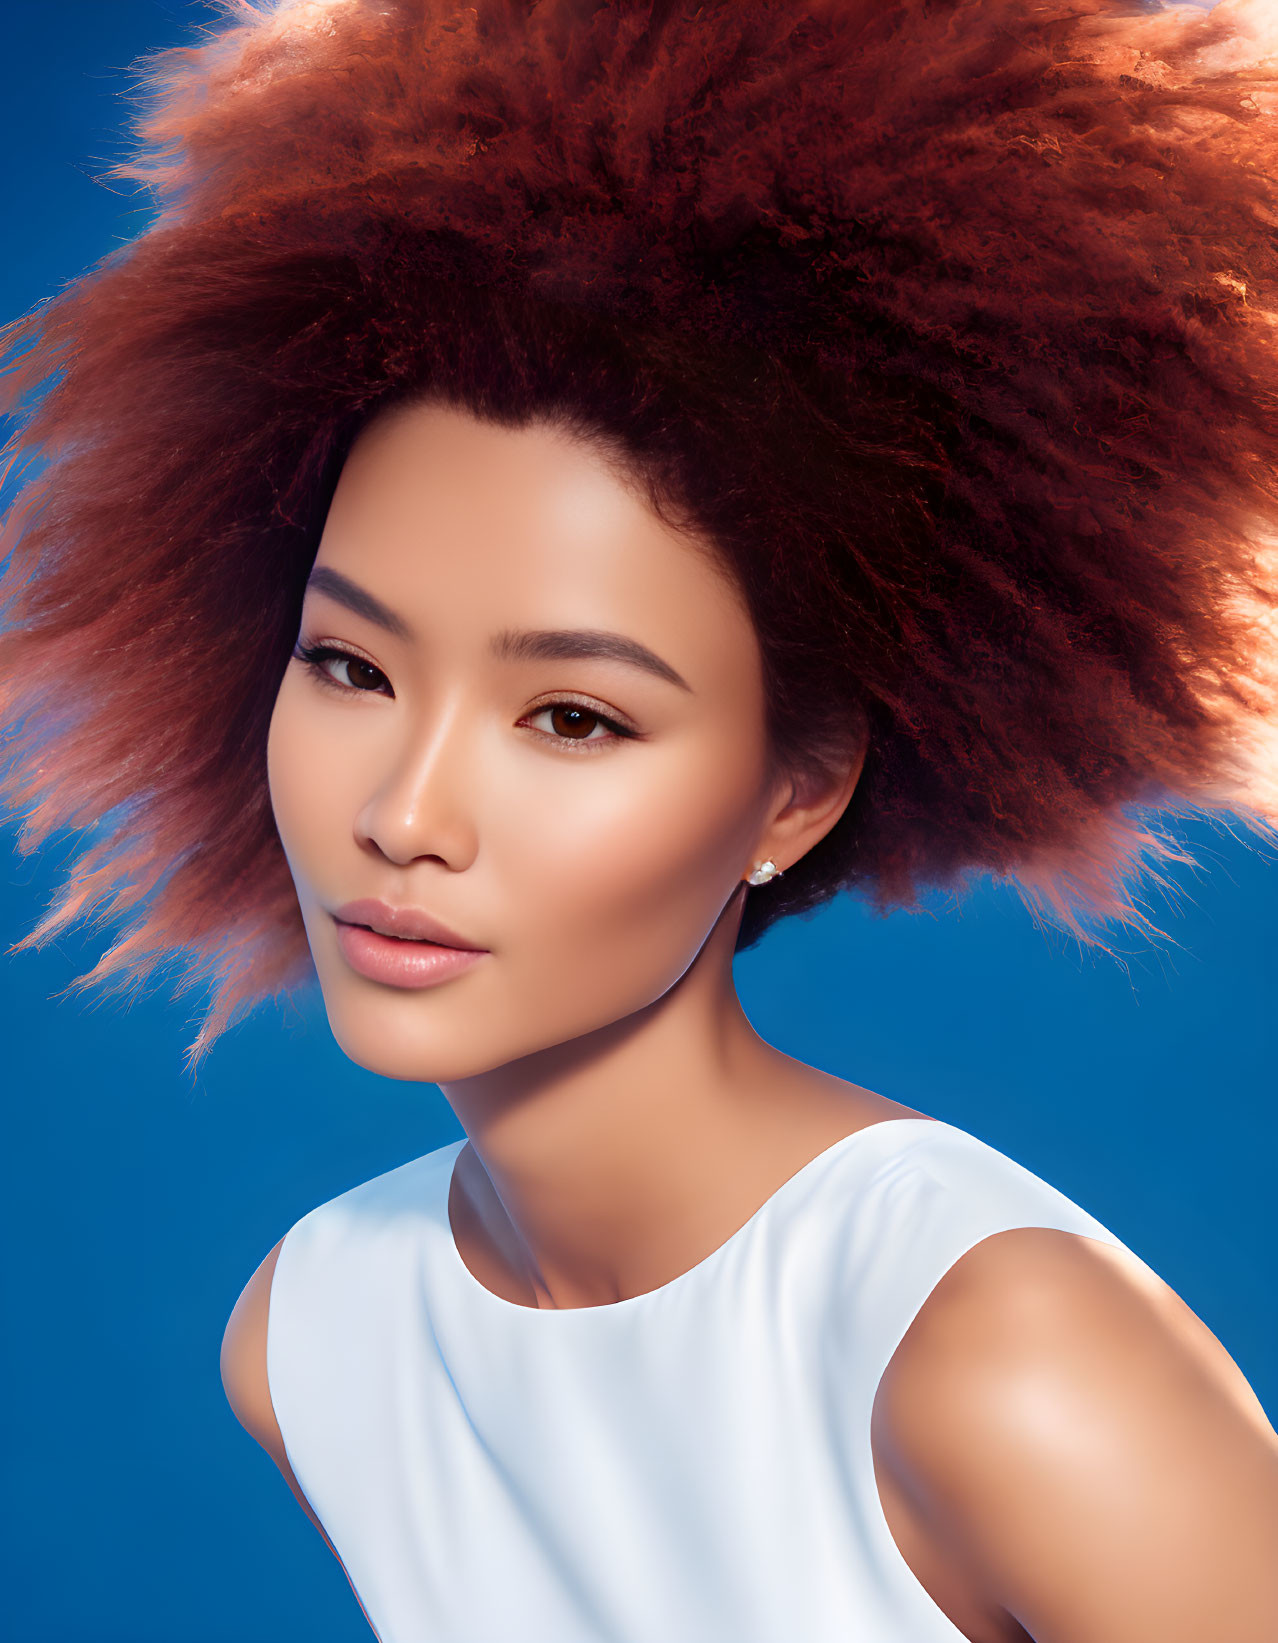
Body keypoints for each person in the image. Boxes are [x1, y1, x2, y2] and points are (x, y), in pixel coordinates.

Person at [2, 2, 1276, 1640]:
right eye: (347, 663)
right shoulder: (317, 1337)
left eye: (573, 716)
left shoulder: (990, 1351)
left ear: (794, 791)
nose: (402, 812)